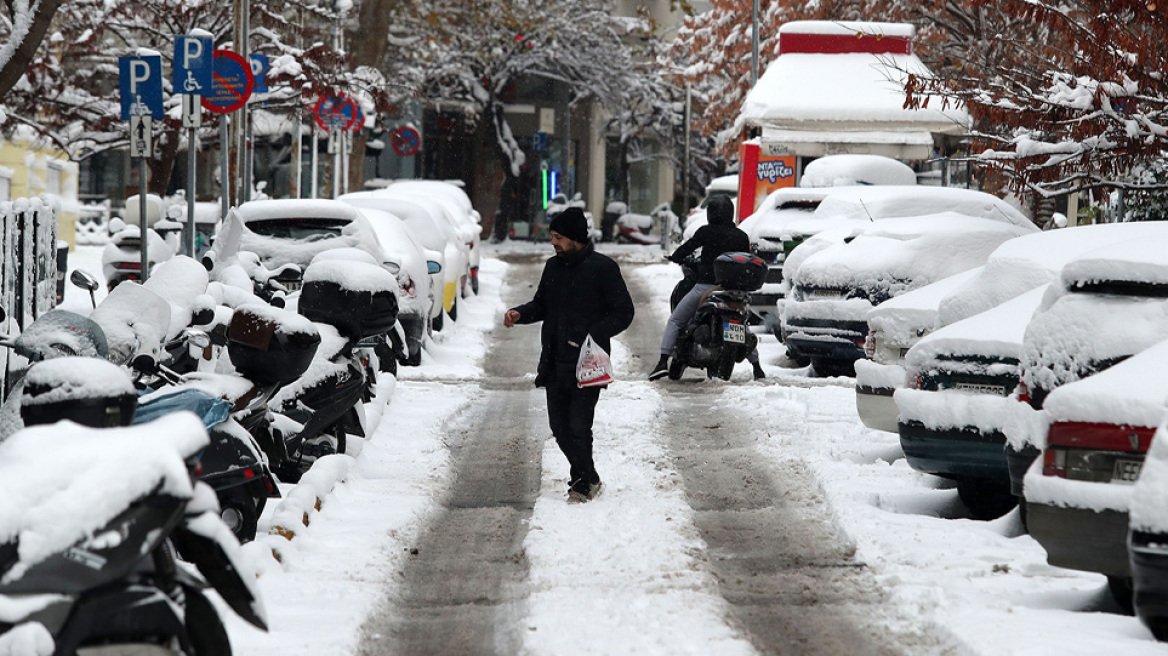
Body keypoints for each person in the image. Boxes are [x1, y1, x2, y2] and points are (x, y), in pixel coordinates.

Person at [503, 207, 635, 503]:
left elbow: (624, 312)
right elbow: (541, 305)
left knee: (578, 425)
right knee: (559, 428)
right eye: (552, 236)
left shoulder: (603, 268)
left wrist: (595, 334)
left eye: (558, 237)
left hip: (588, 362)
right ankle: (589, 475)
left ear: (575, 238)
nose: (553, 242)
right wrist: (519, 313)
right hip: (554, 359)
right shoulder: (553, 267)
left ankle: (582, 482)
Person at [649, 195, 765, 381]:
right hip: (734, 292)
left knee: (676, 320)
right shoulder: (741, 236)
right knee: (743, 325)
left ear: (710, 213)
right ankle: (757, 367)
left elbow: (686, 249)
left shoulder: (705, 232)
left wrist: (676, 256)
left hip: (706, 288)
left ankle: (662, 362)